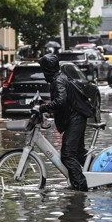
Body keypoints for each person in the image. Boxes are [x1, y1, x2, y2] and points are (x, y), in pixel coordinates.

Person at [34, 54, 88, 191]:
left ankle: (81, 187)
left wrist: (43, 107)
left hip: (75, 119)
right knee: (78, 153)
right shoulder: (59, 78)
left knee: (67, 154)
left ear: (48, 69)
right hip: (76, 117)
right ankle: (100, 171)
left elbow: (61, 101)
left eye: (43, 69)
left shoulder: (58, 81)